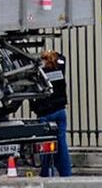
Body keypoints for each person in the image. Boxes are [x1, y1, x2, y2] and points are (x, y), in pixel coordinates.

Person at [31, 49, 72, 177]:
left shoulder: (41, 74)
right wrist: (53, 53)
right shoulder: (60, 70)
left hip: (46, 113)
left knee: (46, 145)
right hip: (60, 111)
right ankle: (66, 173)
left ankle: (46, 172)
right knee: (62, 144)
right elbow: (62, 57)